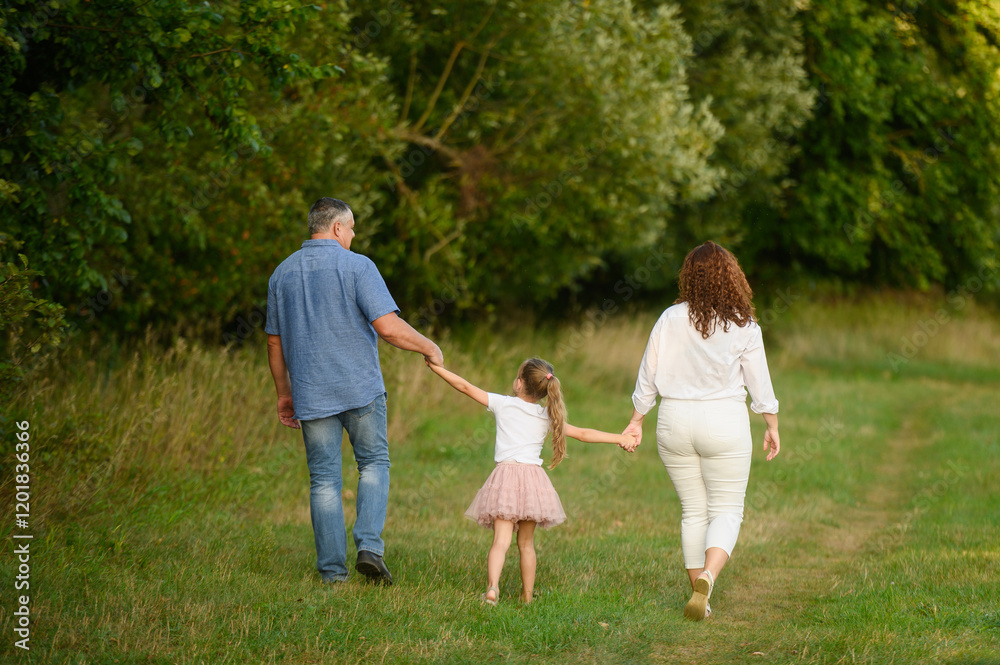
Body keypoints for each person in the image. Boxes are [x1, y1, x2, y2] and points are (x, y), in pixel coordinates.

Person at [266, 197, 443, 586]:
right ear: (336, 228)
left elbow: (275, 343)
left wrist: (285, 393)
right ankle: (369, 548)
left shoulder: (281, 274)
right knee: (374, 464)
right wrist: (430, 347)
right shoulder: (359, 266)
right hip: (360, 390)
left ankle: (333, 574)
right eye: (351, 229)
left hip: (311, 395)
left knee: (324, 480)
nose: (353, 235)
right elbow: (389, 328)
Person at [622, 241, 780, 621]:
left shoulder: (668, 318)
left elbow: (648, 375)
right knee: (727, 509)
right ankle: (708, 576)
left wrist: (636, 420)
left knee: (693, 511)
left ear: (688, 278)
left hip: (674, 421)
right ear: (732, 278)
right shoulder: (744, 325)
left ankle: (701, 598)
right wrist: (771, 423)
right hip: (724, 421)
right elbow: (760, 384)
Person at [427, 357, 636, 605]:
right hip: (533, 483)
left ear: (519, 384)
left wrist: (436, 367)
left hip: (506, 478)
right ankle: (527, 596)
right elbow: (582, 434)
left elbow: (464, 386)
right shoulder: (546, 416)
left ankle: (492, 589)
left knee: (500, 541)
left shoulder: (503, 404)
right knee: (526, 543)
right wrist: (620, 438)